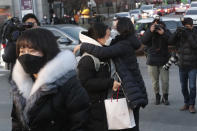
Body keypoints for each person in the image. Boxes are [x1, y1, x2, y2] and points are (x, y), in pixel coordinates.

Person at [76, 18, 148, 131]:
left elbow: (103, 52)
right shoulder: (123, 41)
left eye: (115, 28)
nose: (110, 36)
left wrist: (83, 46)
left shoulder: (123, 44)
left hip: (129, 92)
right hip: (130, 90)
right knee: (128, 124)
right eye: (108, 35)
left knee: (129, 125)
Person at [11, 28, 90, 131]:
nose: (26, 55)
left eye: (32, 51)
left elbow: (81, 123)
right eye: (22, 51)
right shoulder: (21, 84)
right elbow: (16, 121)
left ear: (47, 52)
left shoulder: (68, 84)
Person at [77, 23, 121, 131]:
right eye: (107, 36)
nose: (109, 39)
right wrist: (110, 83)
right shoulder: (87, 59)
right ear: (98, 38)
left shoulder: (102, 54)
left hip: (103, 104)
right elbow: (85, 82)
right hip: (93, 107)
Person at [169, 17, 197, 113]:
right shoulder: (181, 33)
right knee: (183, 87)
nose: (185, 28)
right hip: (182, 65)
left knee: (192, 86)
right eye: (184, 26)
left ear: (192, 25)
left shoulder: (195, 32)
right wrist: (177, 32)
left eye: (187, 26)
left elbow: (195, 45)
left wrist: (188, 34)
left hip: (193, 65)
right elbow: (170, 41)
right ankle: (187, 102)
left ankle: (192, 105)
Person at [141, 17, 171, 105]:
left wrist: (163, 33)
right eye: (155, 24)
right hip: (152, 60)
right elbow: (143, 41)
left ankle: (165, 97)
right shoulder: (149, 31)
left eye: (158, 24)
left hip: (164, 60)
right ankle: (157, 96)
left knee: (165, 81)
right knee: (155, 81)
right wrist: (150, 31)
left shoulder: (164, 30)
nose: (157, 26)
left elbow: (171, 41)